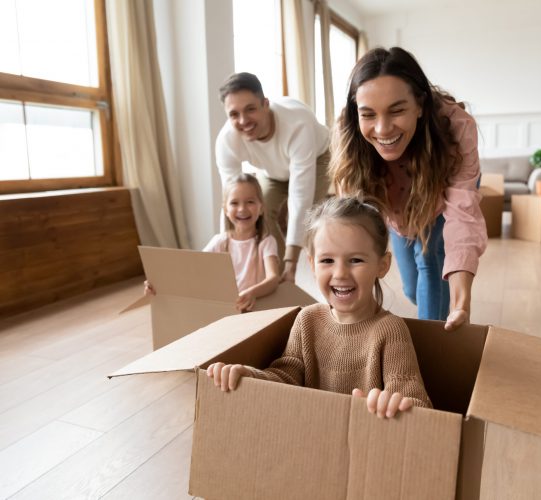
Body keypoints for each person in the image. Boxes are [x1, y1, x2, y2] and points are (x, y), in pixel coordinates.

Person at [207, 196, 432, 418]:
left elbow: (417, 402)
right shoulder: (307, 320)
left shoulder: (390, 331)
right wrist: (250, 376)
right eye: (327, 261)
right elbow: (286, 377)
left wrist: (395, 404)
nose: (340, 273)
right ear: (312, 264)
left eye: (355, 260)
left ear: (382, 266)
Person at [329, 47, 487, 330]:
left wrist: (461, 303)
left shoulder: (457, 128)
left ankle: (432, 345)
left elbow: (463, 218)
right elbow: (349, 219)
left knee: (429, 261)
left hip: (441, 196)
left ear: (420, 105)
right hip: (396, 208)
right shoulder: (349, 132)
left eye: (397, 111)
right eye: (368, 114)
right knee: (413, 289)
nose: (383, 129)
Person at [215, 72, 330, 283]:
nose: (243, 120)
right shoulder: (226, 141)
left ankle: (300, 271)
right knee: (260, 210)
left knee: (308, 218)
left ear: (265, 104)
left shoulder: (297, 123)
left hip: (317, 158)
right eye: (234, 114)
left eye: (250, 109)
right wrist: (225, 253)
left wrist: (292, 262)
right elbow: (229, 201)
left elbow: (300, 195)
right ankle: (273, 275)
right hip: (272, 170)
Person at [145, 174, 279, 312]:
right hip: (224, 310)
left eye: (250, 202)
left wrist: (251, 293)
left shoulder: (266, 242)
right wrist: (159, 284)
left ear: (261, 207)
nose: (242, 209)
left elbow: (273, 278)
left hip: (255, 311)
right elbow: (191, 268)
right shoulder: (219, 242)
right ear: (226, 210)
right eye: (234, 203)